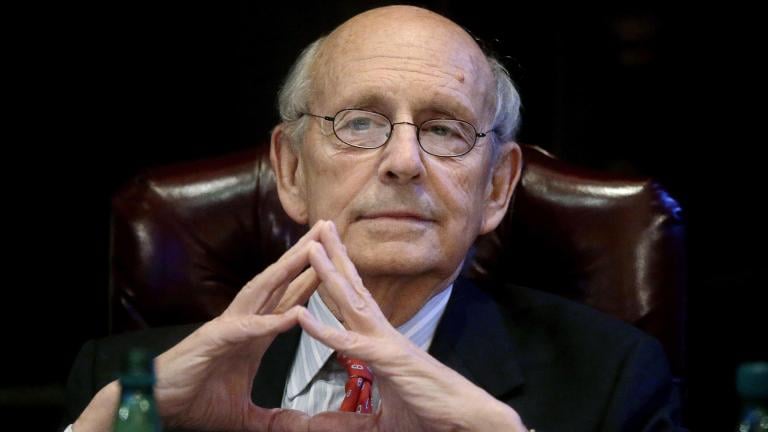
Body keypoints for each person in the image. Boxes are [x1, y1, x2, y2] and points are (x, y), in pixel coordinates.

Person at [66, 5, 681, 431]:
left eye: (444, 129)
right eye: (360, 124)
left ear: (496, 187)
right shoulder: (126, 388)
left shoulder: (611, 380)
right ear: (291, 171)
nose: (404, 161)